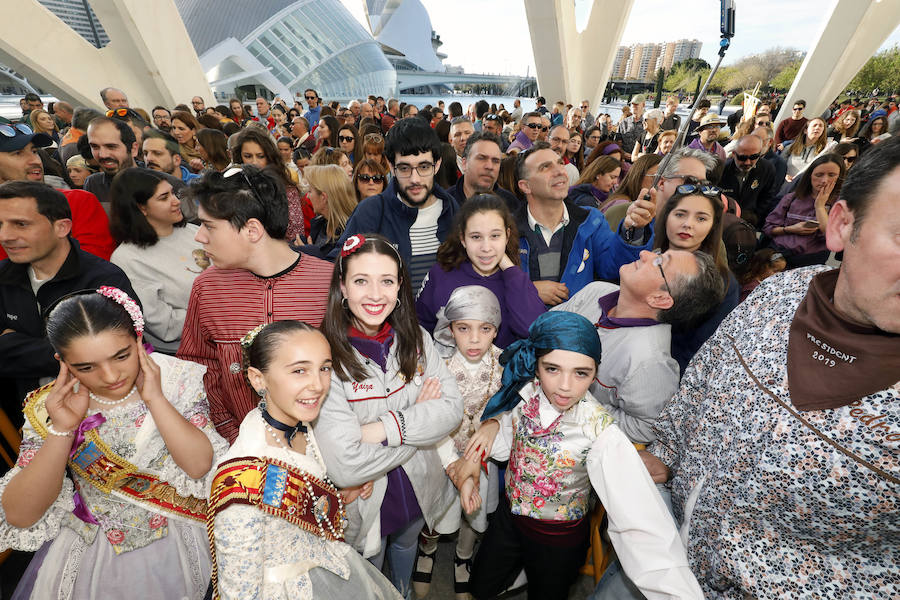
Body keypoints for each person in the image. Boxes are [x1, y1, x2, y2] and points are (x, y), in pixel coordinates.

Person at [642, 135, 900, 599]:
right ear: (841, 224)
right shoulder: (775, 296)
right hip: (660, 555)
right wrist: (662, 450)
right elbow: (701, 383)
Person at [458, 311, 704, 600]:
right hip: (508, 520)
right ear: (536, 366)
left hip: (558, 542)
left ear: (595, 373)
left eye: (580, 373)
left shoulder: (600, 431)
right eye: (552, 369)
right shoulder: (525, 393)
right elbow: (508, 429)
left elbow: (639, 517)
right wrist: (492, 424)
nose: (564, 385)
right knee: (481, 584)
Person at [0, 287, 227, 599]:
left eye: (121, 356)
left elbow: (200, 466)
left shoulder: (176, 379)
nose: (109, 376)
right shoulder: (48, 408)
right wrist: (63, 429)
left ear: (138, 339)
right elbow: (21, 515)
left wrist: (156, 399)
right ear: (62, 362)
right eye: (86, 367)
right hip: (97, 553)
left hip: (184, 534)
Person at [207, 320, 402, 600]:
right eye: (299, 370)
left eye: (324, 368)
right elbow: (239, 592)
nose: (318, 385)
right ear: (257, 378)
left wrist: (340, 492)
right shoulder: (243, 480)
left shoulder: (301, 423)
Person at [313, 234, 463, 598]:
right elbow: (346, 467)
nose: (375, 294)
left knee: (406, 545)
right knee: (368, 567)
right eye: (361, 280)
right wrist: (419, 421)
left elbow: (452, 410)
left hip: (418, 488)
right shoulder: (323, 355)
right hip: (364, 497)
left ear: (400, 287)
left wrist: (380, 428)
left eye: (387, 281)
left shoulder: (417, 339)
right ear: (343, 288)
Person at [176, 166, 333, 443]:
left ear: (252, 230)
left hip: (327, 446)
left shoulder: (328, 283)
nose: (199, 236)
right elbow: (198, 370)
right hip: (241, 448)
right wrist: (231, 433)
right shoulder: (207, 288)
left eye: (209, 225)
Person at [0, 181, 137, 419]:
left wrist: (14, 344)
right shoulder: (3, 277)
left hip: (101, 417)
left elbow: (117, 354)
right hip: (25, 417)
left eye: (21, 224)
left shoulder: (103, 280)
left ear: (62, 227)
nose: (5, 236)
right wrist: (69, 351)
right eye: (0, 225)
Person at [415, 286, 505, 599]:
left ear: (496, 329)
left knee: (474, 511)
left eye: (485, 329)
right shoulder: (437, 368)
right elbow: (431, 419)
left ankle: (463, 557)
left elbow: (509, 413)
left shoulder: (505, 365)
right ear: (451, 329)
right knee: (436, 510)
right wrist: (450, 460)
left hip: (484, 457)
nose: (475, 339)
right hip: (444, 453)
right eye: (464, 329)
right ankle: (427, 549)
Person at [512, 143, 654, 306]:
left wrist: (633, 230)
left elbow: (614, 268)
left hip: (578, 327)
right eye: (545, 167)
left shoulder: (591, 221)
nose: (559, 171)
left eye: (560, 163)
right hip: (522, 329)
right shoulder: (505, 231)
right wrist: (526, 290)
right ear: (525, 186)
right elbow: (488, 285)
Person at [331, 117, 459, 292]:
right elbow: (338, 266)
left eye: (423, 167)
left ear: (437, 165)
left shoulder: (453, 211)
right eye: (405, 168)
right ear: (391, 167)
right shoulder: (371, 212)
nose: (415, 179)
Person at [416, 194, 545, 348]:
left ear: (507, 235)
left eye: (495, 236)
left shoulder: (515, 279)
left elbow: (534, 332)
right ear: (463, 239)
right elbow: (420, 329)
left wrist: (509, 267)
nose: (486, 247)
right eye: (476, 237)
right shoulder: (442, 274)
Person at [109, 168, 207, 352]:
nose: (176, 201)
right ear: (141, 208)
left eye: (173, 193)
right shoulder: (128, 259)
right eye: (164, 198)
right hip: (185, 351)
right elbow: (163, 324)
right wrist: (222, 314)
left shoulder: (195, 232)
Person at [653, 184, 740, 373]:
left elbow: (703, 350)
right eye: (680, 214)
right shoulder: (645, 256)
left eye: (701, 218)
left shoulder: (724, 282)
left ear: (712, 226)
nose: (688, 224)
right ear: (666, 216)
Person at [764, 153, 844, 268]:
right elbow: (768, 228)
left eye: (832, 175)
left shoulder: (840, 205)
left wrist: (820, 207)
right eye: (819, 175)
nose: (824, 180)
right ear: (810, 176)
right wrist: (790, 229)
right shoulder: (792, 198)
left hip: (809, 261)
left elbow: (832, 238)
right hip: (779, 254)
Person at [230, 127, 305, 243]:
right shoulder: (233, 186)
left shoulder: (287, 189)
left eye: (260, 156)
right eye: (248, 156)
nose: (254, 162)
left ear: (269, 157)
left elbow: (296, 237)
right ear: (240, 157)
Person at [718, 133, 778, 227]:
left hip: (751, 223)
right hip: (725, 222)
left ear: (760, 154)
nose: (747, 162)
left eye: (753, 157)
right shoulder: (722, 171)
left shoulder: (767, 169)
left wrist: (756, 217)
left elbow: (768, 197)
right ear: (733, 154)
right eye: (742, 158)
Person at [451, 131, 518, 211]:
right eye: (481, 158)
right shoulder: (445, 203)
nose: (489, 166)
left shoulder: (511, 204)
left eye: (495, 161)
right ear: (464, 163)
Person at [83, 117, 138, 210]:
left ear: (133, 149)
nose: (102, 155)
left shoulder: (161, 182)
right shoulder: (93, 184)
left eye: (111, 147)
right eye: (95, 147)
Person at [303, 164, 358, 257]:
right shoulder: (319, 224)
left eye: (310, 191)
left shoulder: (351, 236)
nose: (308, 196)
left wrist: (309, 257)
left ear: (323, 197)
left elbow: (338, 268)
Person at [783, 117, 836, 181]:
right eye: (814, 125)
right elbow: (780, 166)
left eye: (821, 126)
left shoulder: (824, 152)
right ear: (805, 130)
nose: (817, 128)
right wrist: (785, 175)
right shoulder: (791, 147)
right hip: (786, 185)